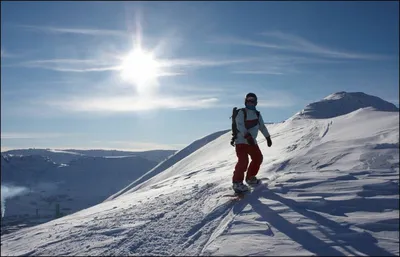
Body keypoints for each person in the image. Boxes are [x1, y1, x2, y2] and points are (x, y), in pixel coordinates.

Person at [232, 92, 272, 193]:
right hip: (241, 141)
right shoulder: (242, 112)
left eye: (252, 100)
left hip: (251, 142)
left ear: (255, 102)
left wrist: (267, 137)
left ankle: (250, 178)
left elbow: (262, 126)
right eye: (248, 100)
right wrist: (247, 135)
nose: (250, 102)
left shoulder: (257, 114)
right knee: (243, 161)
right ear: (245, 101)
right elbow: (239, 125)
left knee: (258, 158)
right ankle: (237, 183)